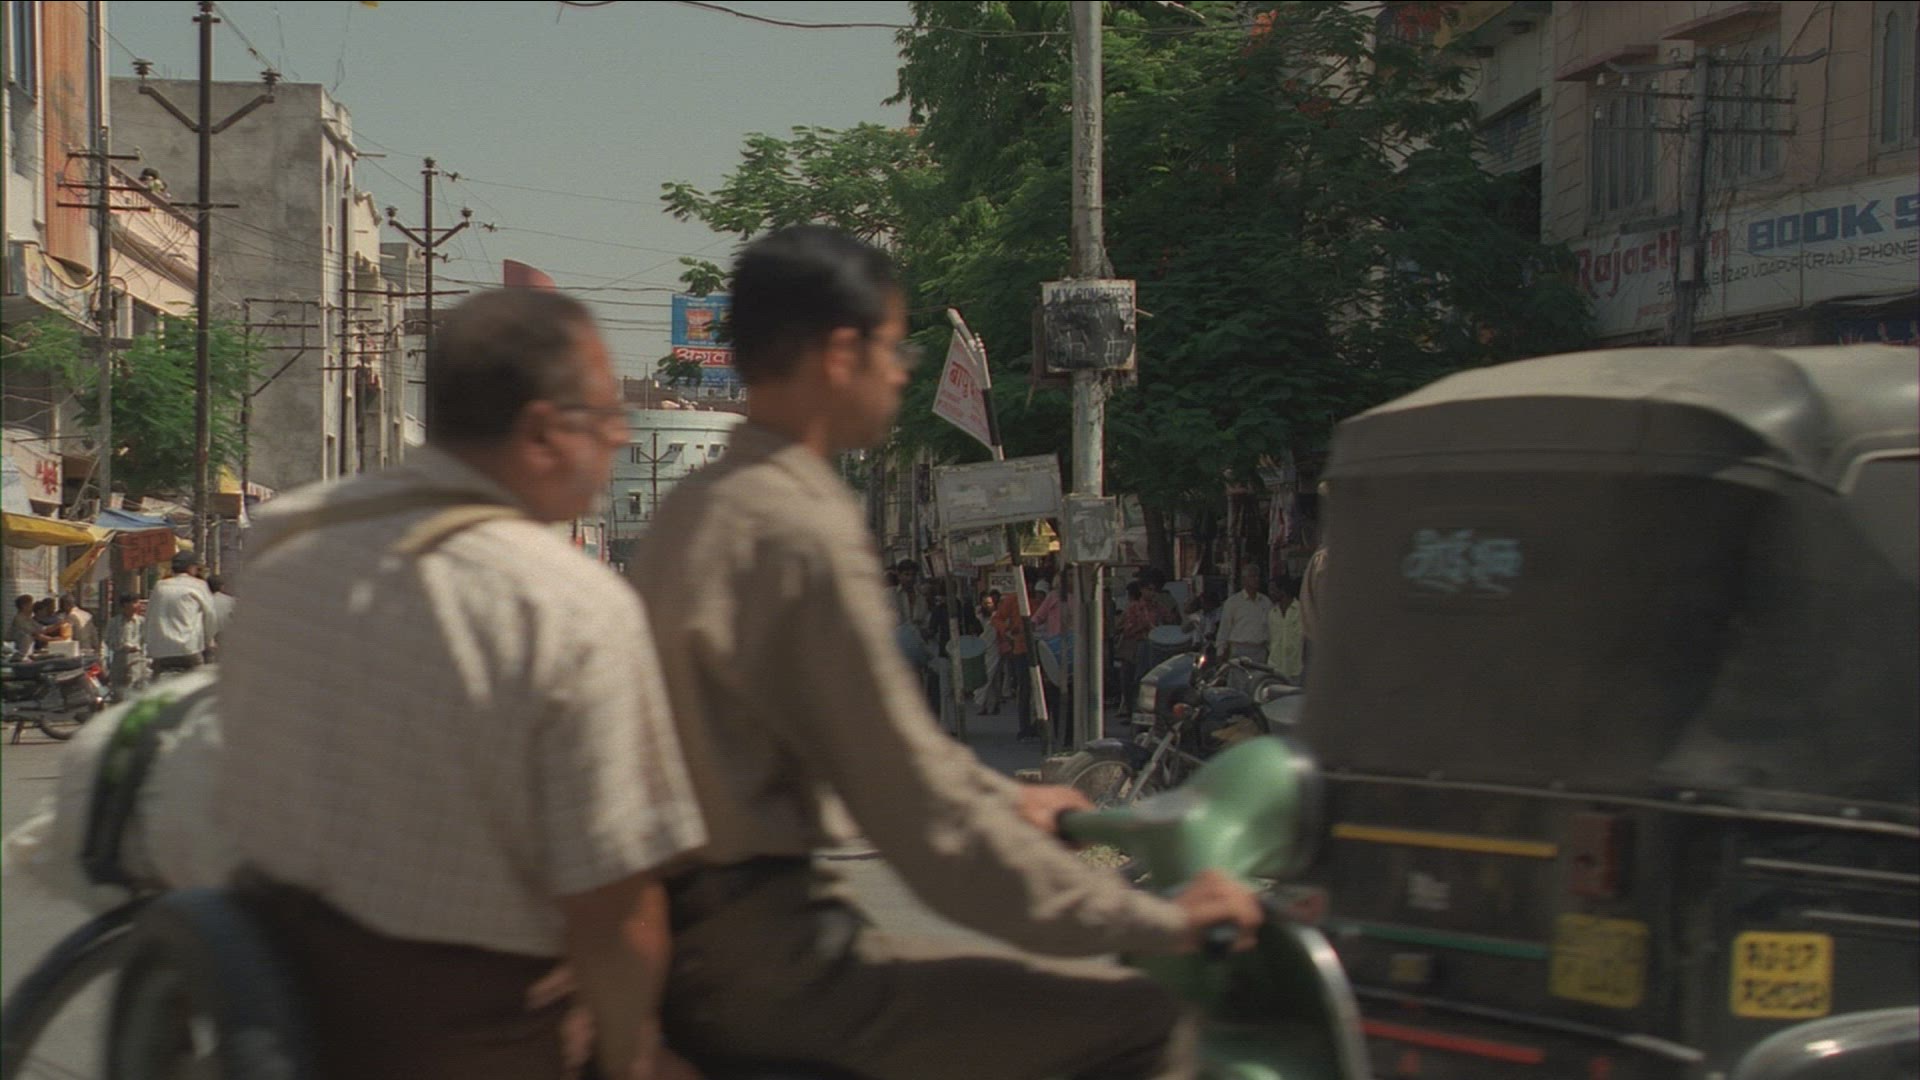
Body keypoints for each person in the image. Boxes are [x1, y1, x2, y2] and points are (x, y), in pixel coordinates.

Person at [630, 226, 1261, 1080]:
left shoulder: (698, 507)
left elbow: (886, 749)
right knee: (1143, 1019)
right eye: (894, 349)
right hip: (778, 964)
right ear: (841, 354)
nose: (901, 374)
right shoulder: (796, 523)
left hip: (707, 948)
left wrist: (1009, 799)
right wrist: (1155, 921)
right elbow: (916, 809)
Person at [217, 288, 707, 1080]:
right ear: (542, 433)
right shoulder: (569, 604)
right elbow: (616, 909)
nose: (621, 435)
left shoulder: (285, 537)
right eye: (605, 415)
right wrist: (632, 1056)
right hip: (470, 1037)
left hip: (270, 992)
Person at [145, 552, 218, 675]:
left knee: (157, 680)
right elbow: (210, 616)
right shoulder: (199, 585)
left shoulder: (160, 586)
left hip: (160, 649)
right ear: (191, 568)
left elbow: (149, 616)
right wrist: (209, 640)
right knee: (197, 679)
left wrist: (148, 643)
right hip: (189, 648)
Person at [989, 587, 1036, 735]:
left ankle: (1038, 724)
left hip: (1041, 647)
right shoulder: (1013, 599)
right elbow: (996, 619)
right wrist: (1008, 629)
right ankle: (1025, 726)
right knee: (1025, 688)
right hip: (1021, 649)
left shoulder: (1042, 599)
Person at [1214, 564, 1274, 662]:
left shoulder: (1266, 602)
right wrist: (1220, 651)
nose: (1256, 579)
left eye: (1258, 576)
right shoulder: (1233, 602)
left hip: (1260, 650)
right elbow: (1224, 628)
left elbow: (1270, 628)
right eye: (1252, 576)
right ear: (1244, 580)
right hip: (1238, 649)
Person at [104, 594, 149, 692]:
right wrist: (119, 646)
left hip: (137, 658)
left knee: (135, 687)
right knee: (118, 689)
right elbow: (107, 639)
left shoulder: (142, 622)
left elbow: (146, 640)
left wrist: (140, 651)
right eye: (134, 603)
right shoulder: (114, 622)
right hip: (119, 657)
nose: (137, 606)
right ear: (125, 605)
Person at [1266, 576, 1306, 683]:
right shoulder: (1272, 613)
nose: (1270, 593)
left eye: (1273, 589)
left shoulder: (1301, 611)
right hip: (1275, 668)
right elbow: (1270, 640)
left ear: (1282, 590)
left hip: (1295, 669)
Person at [206, 575, 236, 642]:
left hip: (207, 636)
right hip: (226, 634)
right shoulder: (230, 601)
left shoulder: (203, 599)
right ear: (221, 587)